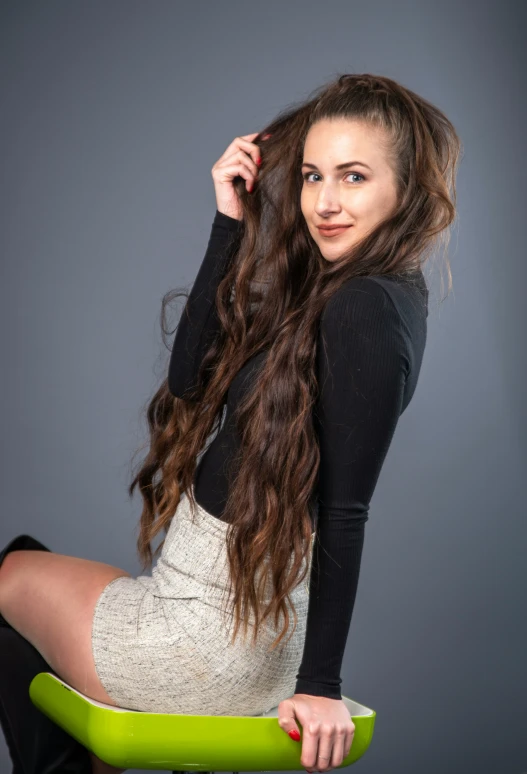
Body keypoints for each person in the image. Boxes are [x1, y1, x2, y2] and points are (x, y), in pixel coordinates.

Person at [0, 73, 461, 774]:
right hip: (240, 631)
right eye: (311, 176)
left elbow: (343, 512)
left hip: (204, 641)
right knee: (31, 555)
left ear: (406, 190)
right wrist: (230, 221)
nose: (325, 202)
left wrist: (321, 689)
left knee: (6, 577)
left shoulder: (363, 309)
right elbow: (191, 379)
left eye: (354, 176)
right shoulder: (361, 294)